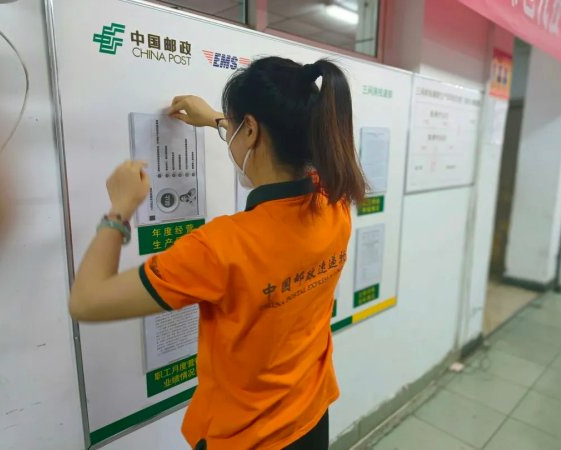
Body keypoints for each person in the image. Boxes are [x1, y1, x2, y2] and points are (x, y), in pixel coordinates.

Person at [69, 57, 366, 450]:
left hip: (244, 439)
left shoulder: (221, 247)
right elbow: (267, 142)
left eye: (237, 126)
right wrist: (218, 120)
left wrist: (120, 209)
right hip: (310, 419)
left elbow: (87, 301)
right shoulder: (334, 200)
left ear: (252, 131)